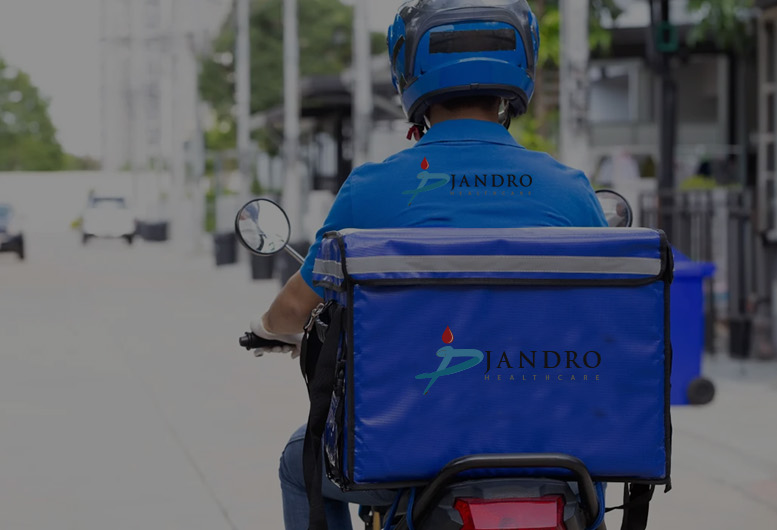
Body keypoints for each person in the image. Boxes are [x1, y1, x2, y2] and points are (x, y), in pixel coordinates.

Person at [245, 1, 609, 528]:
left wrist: (266, 328)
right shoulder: (570, 189)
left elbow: (293, 311)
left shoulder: (372, 189)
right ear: (520, 70)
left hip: (408, 449)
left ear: (408, 73)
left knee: (296, 461)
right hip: (556, 449)